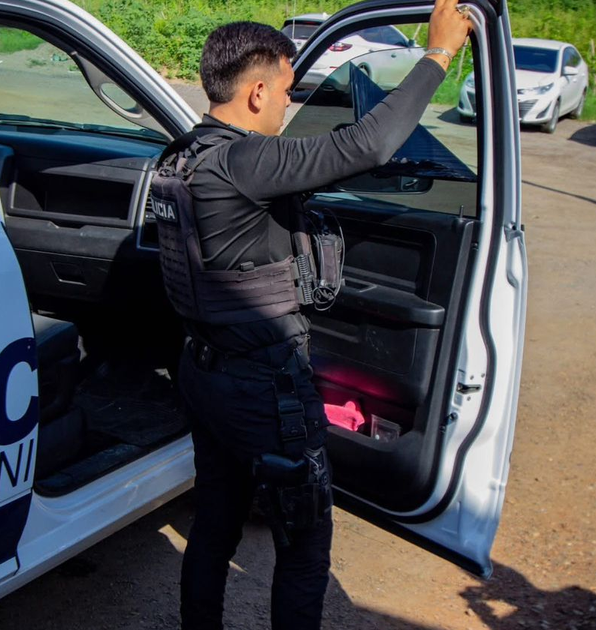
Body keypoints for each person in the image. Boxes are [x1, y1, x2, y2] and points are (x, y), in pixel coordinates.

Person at [159, 1, 471, 629]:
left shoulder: (182, 156)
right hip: (262, 385)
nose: (288, 103)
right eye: (285, 90)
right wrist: (437, 54)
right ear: (255, 92)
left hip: (204, 371)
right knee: (304, 545)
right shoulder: (247, 162)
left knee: (215, 523)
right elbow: (371, 143)